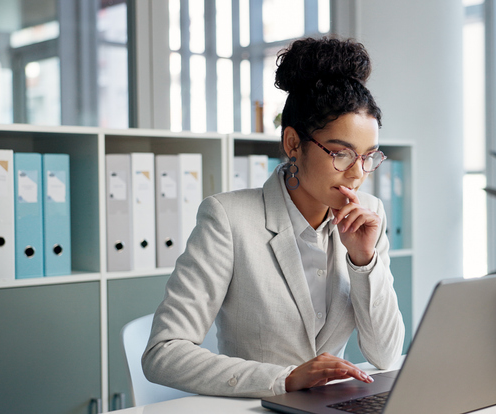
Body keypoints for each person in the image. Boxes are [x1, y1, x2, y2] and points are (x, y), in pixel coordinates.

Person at [142, 37, 405, 398]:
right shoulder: (229, 218)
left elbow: (386, 353)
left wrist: (363, 259)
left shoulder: (369, 213)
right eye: (341, 154)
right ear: (293, 143)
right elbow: (163, 353)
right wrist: (284, 378)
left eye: (368, 157)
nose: (357, 174)